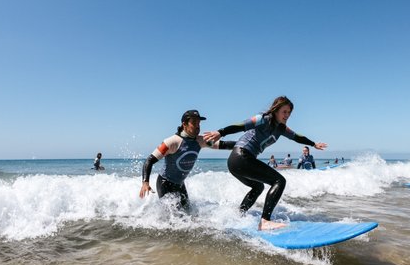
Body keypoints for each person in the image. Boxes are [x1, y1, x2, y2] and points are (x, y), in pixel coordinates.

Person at [204, 96, 327, 230]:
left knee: (258, 187)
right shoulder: (263, 119)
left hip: (238, 162)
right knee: (279, 181)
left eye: (289, 113)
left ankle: (239, 215)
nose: (287, 115)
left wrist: (313, 144)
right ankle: (265, 221)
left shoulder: (282, 129)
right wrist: (221, 132)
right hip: (241, 157)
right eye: (284, 111)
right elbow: (240, 126)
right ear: (276, 110)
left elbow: (297, 137)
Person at [139, 109, 234, 208]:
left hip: (180, 184)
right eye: (194, 123)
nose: (197, 126)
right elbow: (149, 160)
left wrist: (245, 145)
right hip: (165, 183)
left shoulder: (201, 140)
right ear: (184, 124)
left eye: (199, 123)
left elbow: (224, 145)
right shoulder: (171, 142)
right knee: (169, 217)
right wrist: (145, 182)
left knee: (188, 212)